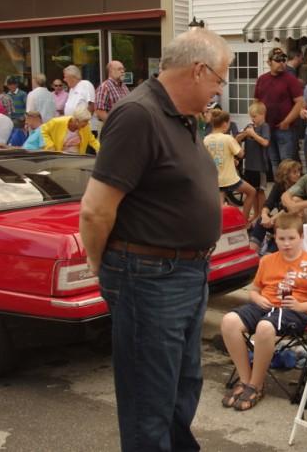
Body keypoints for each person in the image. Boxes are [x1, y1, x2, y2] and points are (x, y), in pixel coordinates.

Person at [79, 28, 232, 451]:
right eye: (219, 79)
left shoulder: (180, 116)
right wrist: (102, 266)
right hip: (149, 277)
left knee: (183, 386)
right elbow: (95, 209)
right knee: (150, 398)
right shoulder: (138, 114)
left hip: (184, 272)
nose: (219, 90)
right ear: (198, 71)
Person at [220, 212, 307, 412]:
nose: (286, 243)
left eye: (291, 238)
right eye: (281, 238)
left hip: (295, 310)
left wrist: (301, 306)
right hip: (266, 304)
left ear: (301, 237)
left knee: (264, 327)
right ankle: (245, 380)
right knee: (229, 321)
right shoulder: (267, 260)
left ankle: (256, 385)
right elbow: (254, 291)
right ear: (275, 238)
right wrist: (257, 298)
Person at [254, 47, 304, 171]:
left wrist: (287, 121)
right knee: (274, 162)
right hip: (267, 128)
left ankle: (289, 190)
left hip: (285, 129)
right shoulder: (262, 79)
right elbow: (256, 102)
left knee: (287, 163)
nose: (281, 63)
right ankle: (280, 189)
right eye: (277, 60)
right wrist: (257, 121)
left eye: (283, 60)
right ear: (269, 62)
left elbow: (300, 103)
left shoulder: (290, 79)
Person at [204, 109, 257, 223]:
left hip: (215, 180)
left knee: (220, 206)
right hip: (230, 179)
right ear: (224, 124)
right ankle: (244, 222)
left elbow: (208, 158)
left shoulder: (206, 139)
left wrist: (230, 160)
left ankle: (220, 228)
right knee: (251, 192)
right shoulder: (228, 138)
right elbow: (241, 154)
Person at [248, 159, 302, 254]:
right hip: (279, 220)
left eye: (298, 171)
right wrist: (265, 215)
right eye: (295, 172)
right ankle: (252, 252)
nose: (298, 174)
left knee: (277, 225)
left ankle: (270, 252)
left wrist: (272, 219)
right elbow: (269, 202)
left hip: (293, 221)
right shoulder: (279, 186)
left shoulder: (301, 186)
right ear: (286, 174)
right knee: (261, 220)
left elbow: (288, 209)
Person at [237, 99, 270, 223]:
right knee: (252, 191)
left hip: (259, 166)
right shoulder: (249, 126)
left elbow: (265, 142)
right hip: (249, 165)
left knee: (260, 191)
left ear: (262, 115)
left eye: (254, 116)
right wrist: (245, 133)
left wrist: (254, 135)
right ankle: (256, 213)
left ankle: (261, 214)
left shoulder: (264, 127)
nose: (252, 119)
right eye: (251, 116)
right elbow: (237, 139)